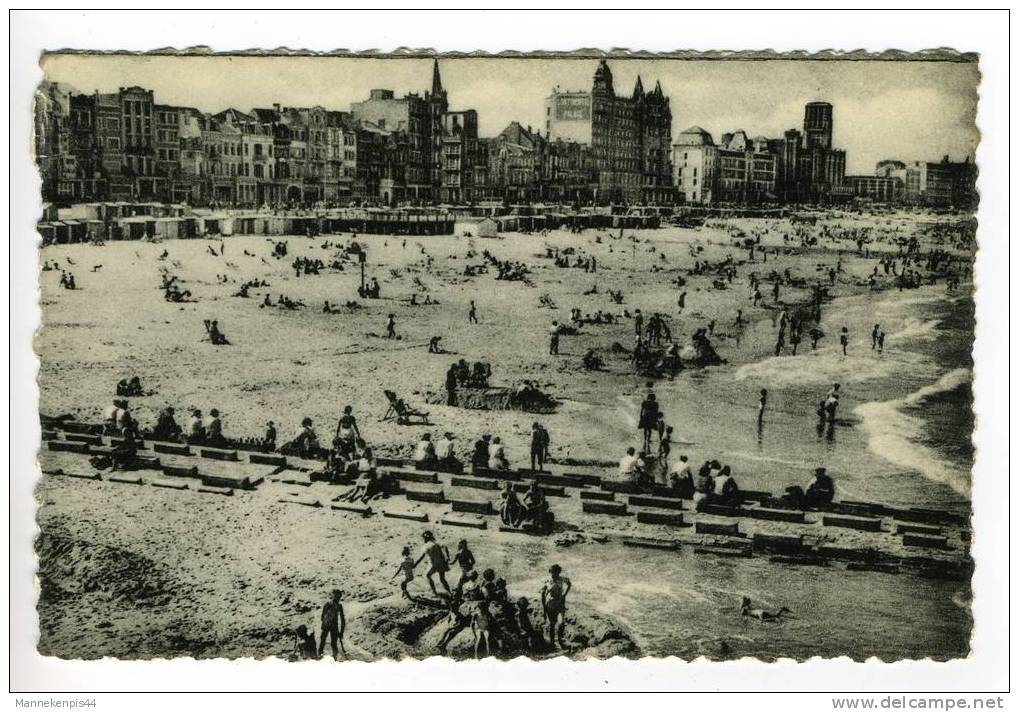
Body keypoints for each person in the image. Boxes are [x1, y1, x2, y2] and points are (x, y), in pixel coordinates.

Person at [541, 564, 571, 650]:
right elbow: (542, 594)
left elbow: (569, 584)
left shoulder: (562, 579)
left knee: (561, 622)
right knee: (552, 624)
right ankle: (552, 642)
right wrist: (544, 609)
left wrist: (564, 594)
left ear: (559, 572)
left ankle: (560, 641)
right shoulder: (547, 581)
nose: (554, 574)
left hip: (560, 603)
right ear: (550, 572)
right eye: (552, 572)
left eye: (556, 573)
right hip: (550, 605)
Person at [415, 531, 451, 596]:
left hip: (433, 564)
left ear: (426, 538)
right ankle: (449, 592)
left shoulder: (426, 546)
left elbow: (421, 557)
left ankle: (434, 592)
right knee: (442, 579)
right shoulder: (436, 543)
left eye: (424, 538)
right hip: (441, 563)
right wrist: (448, 557)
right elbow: (445, 547)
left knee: (427, 576)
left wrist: (415, 565)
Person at [317, 589, 346, 660]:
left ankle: (332, 658)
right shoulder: (331, 605)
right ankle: (330, 658)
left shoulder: (333, 605)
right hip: (330, 626)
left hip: (330, 626)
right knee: (327, 642)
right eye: (337, 596)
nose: (338, 598)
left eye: (338, 597)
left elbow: (322, 617)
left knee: (328, 643)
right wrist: (341, 632)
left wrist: (341, 631)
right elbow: (323, 616)